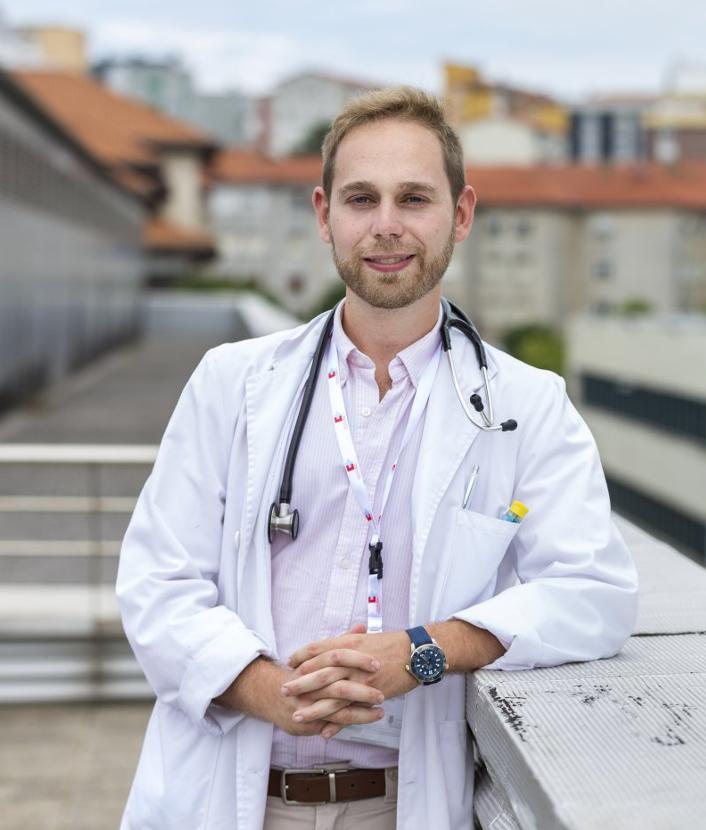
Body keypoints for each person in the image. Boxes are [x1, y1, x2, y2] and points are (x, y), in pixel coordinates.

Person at [116, 86, 638, 830]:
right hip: (234, 795)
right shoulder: (232, 384)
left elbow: (594, 592)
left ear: (460, 215)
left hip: (401, 804)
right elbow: (157, 582)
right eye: (361, 199)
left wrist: (425, 652)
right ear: (325, 215)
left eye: (414, 198)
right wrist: (275, 693)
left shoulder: (528, 405)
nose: (387, 226)